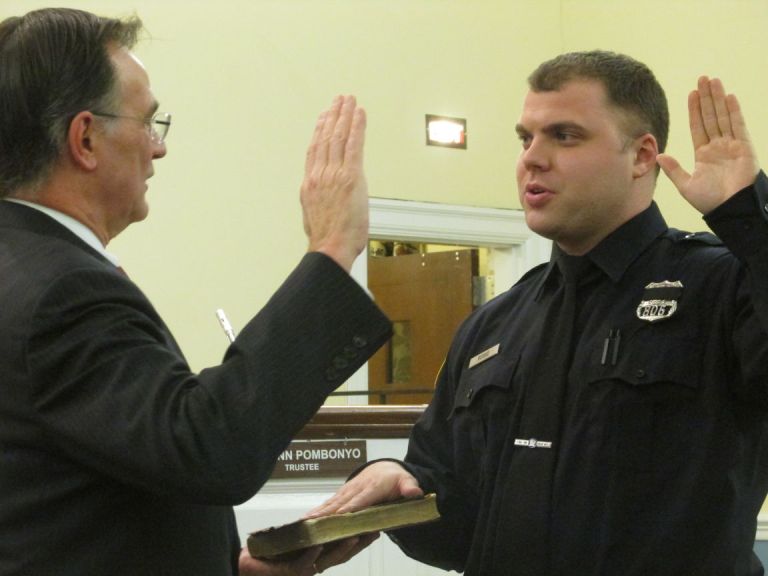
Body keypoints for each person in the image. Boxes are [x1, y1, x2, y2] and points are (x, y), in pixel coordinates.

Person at [311, 51, 768, 575]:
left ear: (642, 157)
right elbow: (456, 529)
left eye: (565, 136)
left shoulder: (721, 286)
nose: (533, 157)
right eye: (525, 138)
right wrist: (400, 482)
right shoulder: (494, 324)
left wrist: (748, 218)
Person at [0, 8, 391, 576]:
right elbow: (207, 446)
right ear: (84, 138)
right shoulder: (61, 290)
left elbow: (93, 486)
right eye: (148, 123)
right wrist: (331, 249)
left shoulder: (29, 268)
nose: (158, 150)